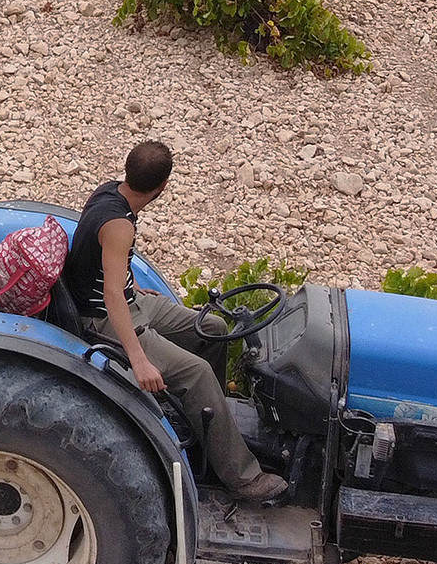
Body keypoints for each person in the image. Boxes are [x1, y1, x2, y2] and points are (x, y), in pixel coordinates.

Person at [62, 140, 288, 503]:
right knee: (197, 371)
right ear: (163, 187)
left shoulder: (109, 192)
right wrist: (138, 359)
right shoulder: (119, 224)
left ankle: (210, 426)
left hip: (132, 302)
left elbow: (101, 262)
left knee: (213, 329)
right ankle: (242, 478)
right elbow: (111, 296)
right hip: (106, 319)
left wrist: (133, 285)